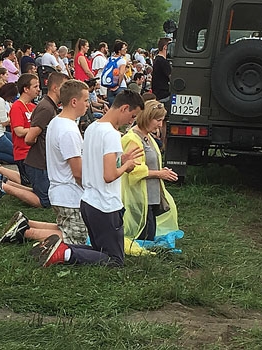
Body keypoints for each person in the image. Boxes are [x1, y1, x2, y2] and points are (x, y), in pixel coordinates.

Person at [31, 90, 144, 268]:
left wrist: (120, 160)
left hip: (88, 202)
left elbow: (95, 162)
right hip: (106, 205)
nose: (131, 122)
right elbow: (109, 176)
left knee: (98, 250)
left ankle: (58, 248)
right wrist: (126, 167)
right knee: (115, 260)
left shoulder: (92, 127)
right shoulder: (112, 134)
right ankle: (65, 252)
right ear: (124, 108)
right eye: (132, 116)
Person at [0, 80, 91, 245]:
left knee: (65, 227)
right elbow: (77, 172)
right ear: (74, 101)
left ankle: (26, 223)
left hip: (59, 190)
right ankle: (26, 232)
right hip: (70, 195)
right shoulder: (69, 130)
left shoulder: (57, 121)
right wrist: (91, 188)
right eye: (86, 100)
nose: (88, 104)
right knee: (77, 239)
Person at [121, 100, 179, 242]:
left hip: (151, 197)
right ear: (147, 117)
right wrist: (160, 174)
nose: (160, 125)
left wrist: (160, 170)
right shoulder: (133, 139)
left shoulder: (148, 137)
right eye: (158, 120)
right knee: (145, 237)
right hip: (140, 198)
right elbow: (134, 169)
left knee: (150, 236)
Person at [0, 74, 40, 206]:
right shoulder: (17, 107)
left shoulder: (33, 107)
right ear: (25, 89)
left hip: (32, 152)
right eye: (35, 86)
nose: (38, 89)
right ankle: (3, 183)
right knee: (31, 185)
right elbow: (18, 130)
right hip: (23, 152)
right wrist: (38, 130)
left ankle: (3, 181)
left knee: (30, 184)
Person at [22, 72, 69, 209]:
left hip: (42, 162)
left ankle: (6, 184)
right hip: (38, 162)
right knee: (46, 202)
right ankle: (5, 187)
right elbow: (29, 138)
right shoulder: (46, 108)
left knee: (45, 193)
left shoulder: (50, 106)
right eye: (64, 87)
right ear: (55, 88)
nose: (67, 91)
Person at [106, 40, 129, 106]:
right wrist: (118, 85)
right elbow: (121, 73)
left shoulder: (109, 59)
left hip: (110, 86)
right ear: (119, 50)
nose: (126, 50)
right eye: (124, 49)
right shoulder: (122, 60)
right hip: (120, 86)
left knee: (112, 108)